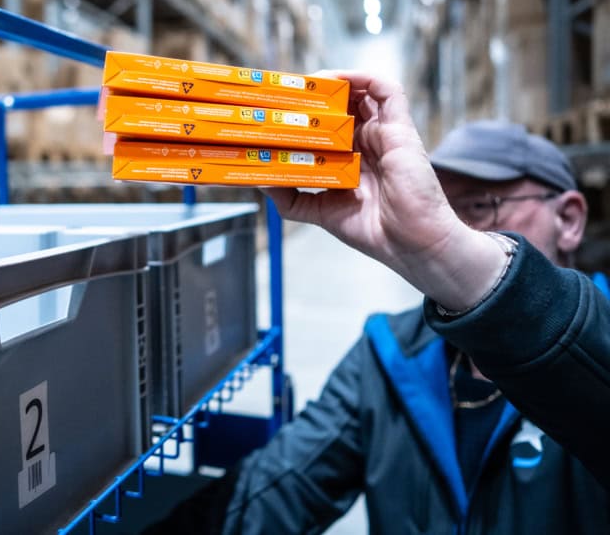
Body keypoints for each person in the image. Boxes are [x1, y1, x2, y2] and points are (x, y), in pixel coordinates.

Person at [146, 73, 610, 534]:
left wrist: (460, 260)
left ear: (568, 218)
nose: (454, 226)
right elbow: (271, 493)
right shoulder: (389, 357)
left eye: (478, 205)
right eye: (439, 205)